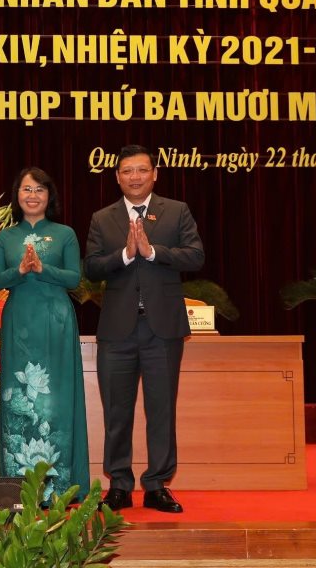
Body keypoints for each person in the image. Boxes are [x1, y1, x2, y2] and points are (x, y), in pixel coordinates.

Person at [84, 145, 204, 513]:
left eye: (141, 170)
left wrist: (153, 252)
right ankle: (119, 484)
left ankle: (156, 485)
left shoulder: (177, 210)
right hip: (118, 331)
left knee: (161, 410)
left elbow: (196, 255)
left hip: (162, 330)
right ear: (117, 177)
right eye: (127, 171)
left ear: (155, 174)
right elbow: (91, 267)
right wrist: (125, 255)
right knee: (116, 412)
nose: (134, 177)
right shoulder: (103, 218)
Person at [0, 167, 89, 500]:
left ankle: (59, 489)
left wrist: (42, 268)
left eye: (39, 190)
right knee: (19, 398)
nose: (33, 195)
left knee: (55, 399)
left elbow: (75, 278)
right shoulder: (6, 237)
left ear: (50, 195)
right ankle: (18, 488)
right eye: (26, 189)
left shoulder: (65, 234)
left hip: (56, 320)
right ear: (17, 195)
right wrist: (18, 270)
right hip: (20, 319)